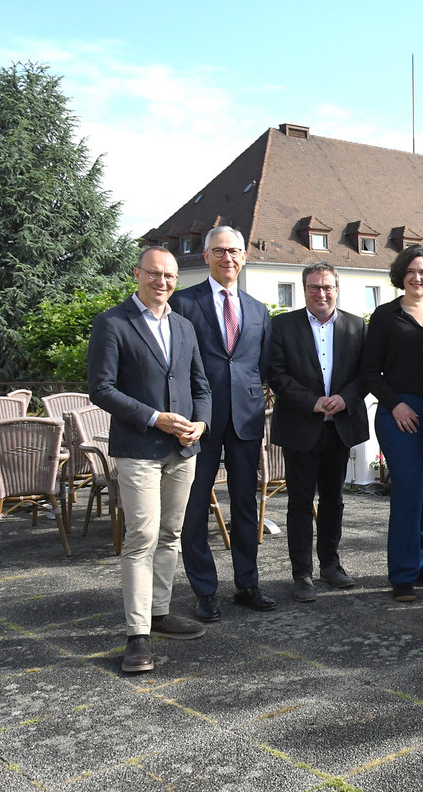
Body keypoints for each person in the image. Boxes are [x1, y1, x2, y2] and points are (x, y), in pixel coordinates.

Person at [87, 247, 210, 672]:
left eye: (170, 276)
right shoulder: (112, 323)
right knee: (141, 538)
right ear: (137, 274)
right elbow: (100, 389)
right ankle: (137, 635)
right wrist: (155, 418)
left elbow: (201, 386)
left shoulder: (184, 325)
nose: (162, 282)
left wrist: (202, 424)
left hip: (183, 448)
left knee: (172, 533)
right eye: (154, 274)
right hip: (138, 448)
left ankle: (159, 612)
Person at [169, 226, 274, 621]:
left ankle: (247, 584)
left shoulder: (259, 309)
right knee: (195, 506)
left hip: (246, 420)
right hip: (200, 421)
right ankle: (205, 591)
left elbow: (259, 367)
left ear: (244, 256)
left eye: (234, 251)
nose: (227, 258)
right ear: (206, 255)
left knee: (246, 505)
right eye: (219, 251)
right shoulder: (183, 303)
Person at [265, 262, 369, 603]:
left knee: (333, 500)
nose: (321, 293)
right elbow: (275, 374)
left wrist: (345, 398)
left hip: (338, 428)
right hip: (300, 425)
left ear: (337, 288)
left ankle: (330, 564)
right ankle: (301, 574)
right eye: (314, 287)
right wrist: (311, 402)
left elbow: (365, 374)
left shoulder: (356, 326)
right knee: (298, 502)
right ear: (304, 289)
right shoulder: (281, 326)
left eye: (327, 287)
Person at [365, 245, 423, 603]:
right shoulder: (385, 316)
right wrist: (396, 404)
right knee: (409, 492)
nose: (418, 277)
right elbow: (369, 371)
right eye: (412, 271)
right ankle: (402, 574)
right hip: (399, 413)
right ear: (401, 275)